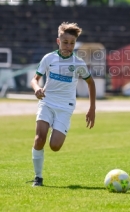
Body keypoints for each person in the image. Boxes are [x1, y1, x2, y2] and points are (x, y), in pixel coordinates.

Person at [29, 22, 96, 186]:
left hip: (65, 108)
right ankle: (38, 177)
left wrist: (92, 108)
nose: (68, 46)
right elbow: (34, 79)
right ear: (58, 41)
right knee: (39, 139)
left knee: (55, 146)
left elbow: (91, 83)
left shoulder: (78, 63)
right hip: (47, 103)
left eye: (72, 43)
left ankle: (56, 129)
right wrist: (37, 89)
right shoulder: (49, 58)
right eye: (65, 42)